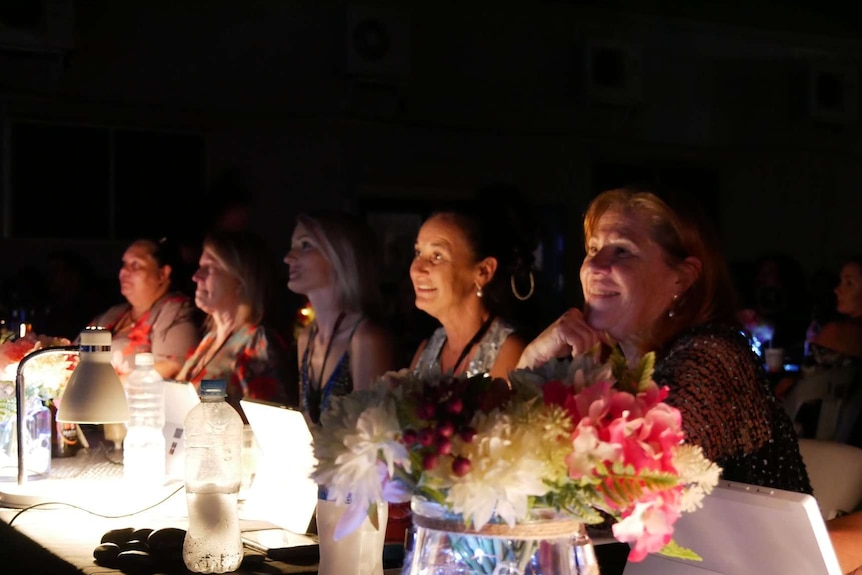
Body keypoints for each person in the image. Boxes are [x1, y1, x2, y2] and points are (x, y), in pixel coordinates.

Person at [517, 186, 812, 495]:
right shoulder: (616, 365)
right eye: (592, 249)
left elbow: (609, 492)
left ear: (682, 279)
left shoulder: (713, 360)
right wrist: (531, 360)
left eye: (622, 251)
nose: (593, 266)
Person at [284, 210, 396, 427]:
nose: (288, 257)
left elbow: (371, 440)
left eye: (305, 245)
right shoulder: (307, 337)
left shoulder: (366, 338)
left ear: (342, 256)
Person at [409, 204, 535, 381]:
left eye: (437, 256)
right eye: (418, 253)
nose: (417, 270)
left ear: (483, 271)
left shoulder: (510, 354)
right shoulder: (427, 350)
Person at [176, 230, 292, 421]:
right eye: (199, 266)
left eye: (209, 268)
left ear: (240, 279)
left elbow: (268, 422)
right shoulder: (210, 339)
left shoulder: (255, 342)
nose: (196, 276)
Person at [85, 237, 199, 380]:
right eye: (124, 264)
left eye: (136, 265)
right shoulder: (113, 314)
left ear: (163, 274)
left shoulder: (175, 311)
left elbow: (172, 367)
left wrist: (104, 388)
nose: (123, 272)